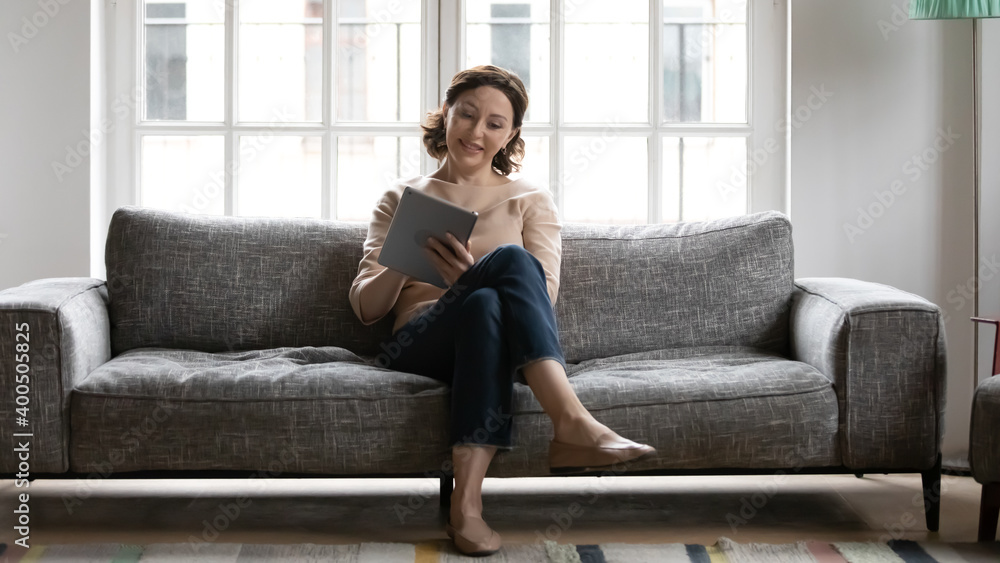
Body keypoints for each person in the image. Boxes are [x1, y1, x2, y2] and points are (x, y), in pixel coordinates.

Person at [348, 65, 656, 557]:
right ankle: (572, 423)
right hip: (417, 343)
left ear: (511, 134)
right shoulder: (402, 198)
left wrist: (469, 284)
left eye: (494, 123)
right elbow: (366, 308)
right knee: (500, 271)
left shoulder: (528, 200)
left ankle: (466, 508)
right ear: (445, 114)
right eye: (466, 115)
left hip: (496, 333)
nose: (476, 131)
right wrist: (406, 261)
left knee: (491, 296)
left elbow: (541, 300)